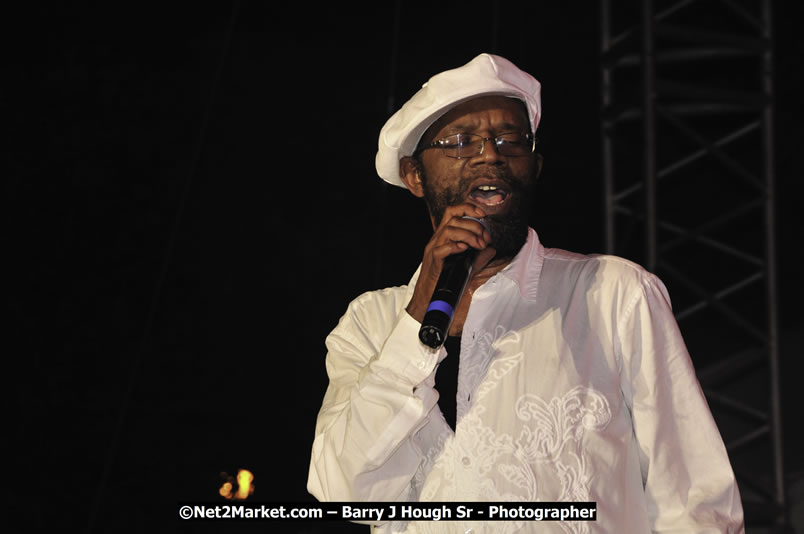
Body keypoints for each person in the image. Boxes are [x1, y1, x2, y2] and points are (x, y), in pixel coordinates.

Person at [307, 53, 744, 533]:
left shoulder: (613, 293)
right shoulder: (370, 323)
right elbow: (342, 488)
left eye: (508, 139)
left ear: (533, 166)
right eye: (460, 141)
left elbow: (694, 500)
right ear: (415, 176)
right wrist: (416, 325)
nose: (489, 154)